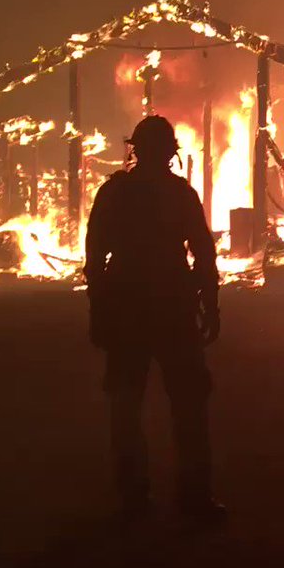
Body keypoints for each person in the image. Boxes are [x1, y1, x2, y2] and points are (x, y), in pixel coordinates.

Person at [84, 114, 223, 527]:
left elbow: (95, 257)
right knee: (188, 404)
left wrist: (99, 309)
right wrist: (210, 303)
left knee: (126, 404)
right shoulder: (179, 193)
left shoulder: (114, 193)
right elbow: (203, 252)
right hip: (172, 306)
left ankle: (133, 498)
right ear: (169, 154)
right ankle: (194, 497)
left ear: (136, 150)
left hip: (127, 306)